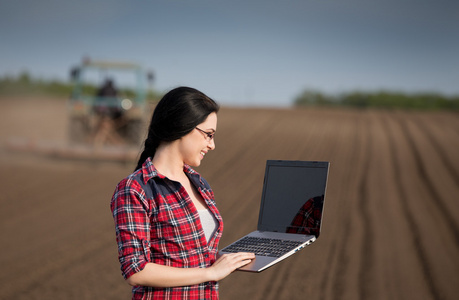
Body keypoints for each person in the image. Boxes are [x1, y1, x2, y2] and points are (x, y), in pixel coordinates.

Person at [110, 86, 255, 299]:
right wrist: (211, 272)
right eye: (208, 135)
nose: (212, 145)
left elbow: (193, 254)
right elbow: (136, 269)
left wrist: (230, 260)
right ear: (182, 126)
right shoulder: (135, 189)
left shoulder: (199, 183)